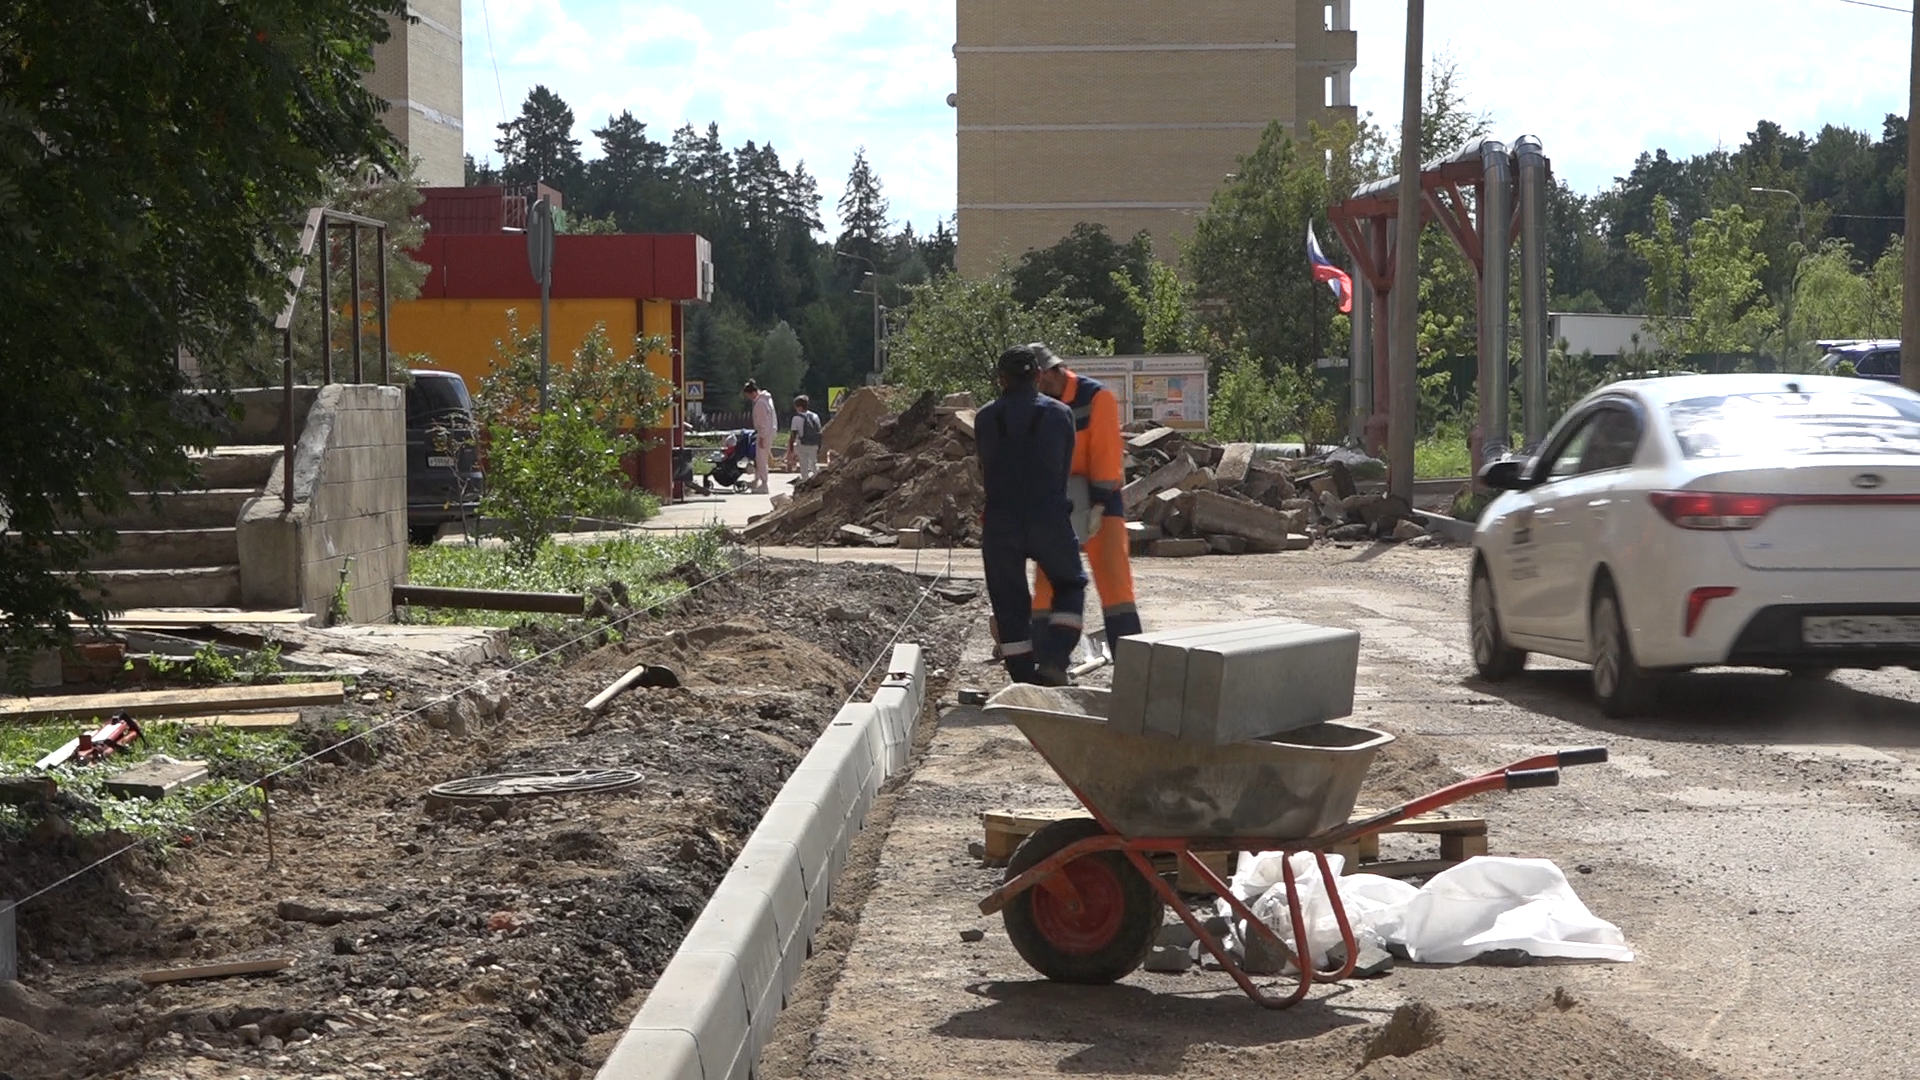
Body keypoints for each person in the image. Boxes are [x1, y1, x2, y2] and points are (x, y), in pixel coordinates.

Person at [977, 344, 1088, 686]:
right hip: (1048, 517)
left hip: (1001, 520)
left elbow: (987, 466)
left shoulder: (984, 418)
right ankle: (1055, 658)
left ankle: (1022, 675)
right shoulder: (1059, 414)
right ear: (1039, 376)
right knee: (1070, 583)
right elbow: (1063, 468)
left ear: (1001, 380)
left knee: (1008, 598)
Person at [1029, 344, 1143, 646]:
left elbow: (1105, 454)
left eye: (1042, 379)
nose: (1040, 386)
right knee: (1045, 586)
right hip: (1057, 501)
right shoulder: (1037, 403)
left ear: (1057, 369)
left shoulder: (1096, 397)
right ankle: (1045, 659)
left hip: (1101, 501)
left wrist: (1100, 503)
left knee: (1115, 582)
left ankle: (1129, 661)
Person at [742, 380, 776, 494]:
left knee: (761, 459)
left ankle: (764, 483)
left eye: (748, 396)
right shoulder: (767, 399)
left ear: (752, 393)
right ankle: (757, 480)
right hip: (770, 431)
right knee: (760, 458)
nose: (749, 399)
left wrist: (761, 437)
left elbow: (762, 422)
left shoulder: (760, 403)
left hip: (764, 433)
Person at [785, 394, 822, 481]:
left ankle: (806, 482)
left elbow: (793, 435)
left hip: (802, 444)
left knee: (803, 465)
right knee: (813, 463)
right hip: (814, 443)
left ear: (799, 407)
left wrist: (791, 450)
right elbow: (819, 431)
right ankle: (819, 480)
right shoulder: (815, 416)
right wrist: (819, 445)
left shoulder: (796, 418)